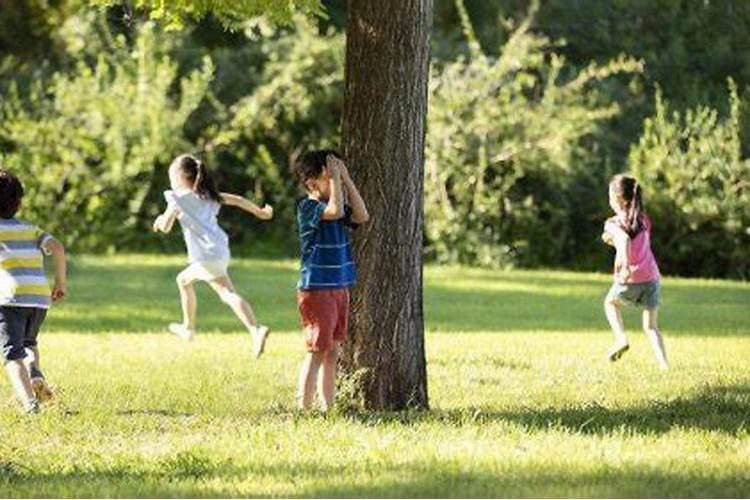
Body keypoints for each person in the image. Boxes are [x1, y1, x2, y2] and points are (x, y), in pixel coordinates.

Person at [153, 154, 272, 358]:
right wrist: (260, 212)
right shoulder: (208, 195)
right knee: (184, 280)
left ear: (181, 178)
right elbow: (238, 200)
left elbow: (164, 226)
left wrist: (158, 221)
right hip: (219, 250)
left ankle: (254, 328)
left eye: (172, 177)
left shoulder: (176, 200)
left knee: (225, 293)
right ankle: (189, 328)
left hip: (205, 256)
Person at [294, 150, 369, 411]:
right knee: (317, 351)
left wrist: (345, 179)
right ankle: (302, 409)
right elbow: (335, 211)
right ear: (312, 184)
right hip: (317, 289)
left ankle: (328, 408)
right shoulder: (309, 208)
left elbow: (362, 215)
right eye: (329, 177)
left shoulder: (337, 205)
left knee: (333, 352)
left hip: (339, 287)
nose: (335, 181)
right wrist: (337, 178)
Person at [0, 170, 67, 414]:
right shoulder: (31, 229)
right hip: (39, 298)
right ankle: (35, 373)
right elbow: (58, 248)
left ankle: (30, 405)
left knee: (12, 355)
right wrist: (60, 282)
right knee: (29, 342)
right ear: (19, 203)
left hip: (9, 299)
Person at [602, 174, 668, 369]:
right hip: (652, 277)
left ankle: (621, 338)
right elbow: (636, 241)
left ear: (617, 199)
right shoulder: (644, 220)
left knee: (610, 303)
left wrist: (621, 267)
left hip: (631, 276)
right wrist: (612, 239)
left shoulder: (613, 223)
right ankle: (664, 366)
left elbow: (625, 241)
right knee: (651, 327)